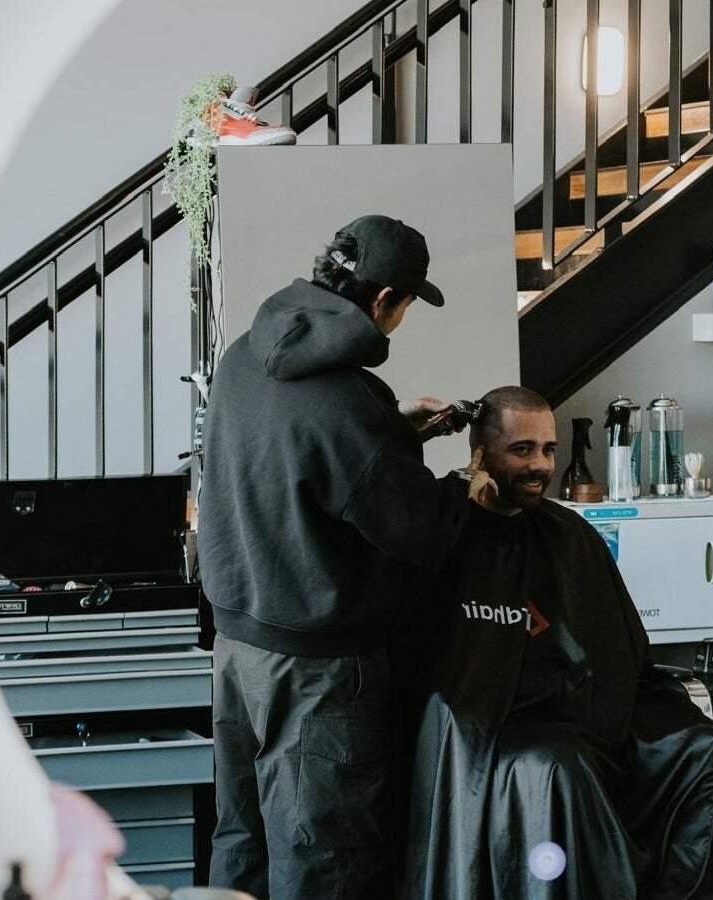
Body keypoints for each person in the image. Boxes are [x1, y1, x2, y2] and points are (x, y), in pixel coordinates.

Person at [198, 214, 494, 899]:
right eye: (408, 304)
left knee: (241, 838)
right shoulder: (347, 400)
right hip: (316, 671)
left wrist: (395, 434)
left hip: (238, 649)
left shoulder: (245, 354)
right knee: (323, 859)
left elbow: (298, 462)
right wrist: (468, 487)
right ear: (387, 298)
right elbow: (416, 531)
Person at [398, 386, 713, 900]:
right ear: (483, 451)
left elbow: (622, 654)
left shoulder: (570, 535)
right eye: (522, 450)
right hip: (493, 728)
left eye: (549, 450)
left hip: (589, 717)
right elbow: (430, 661)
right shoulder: (445, 531)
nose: (540, 466)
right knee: (560, 768)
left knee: (710, 750)